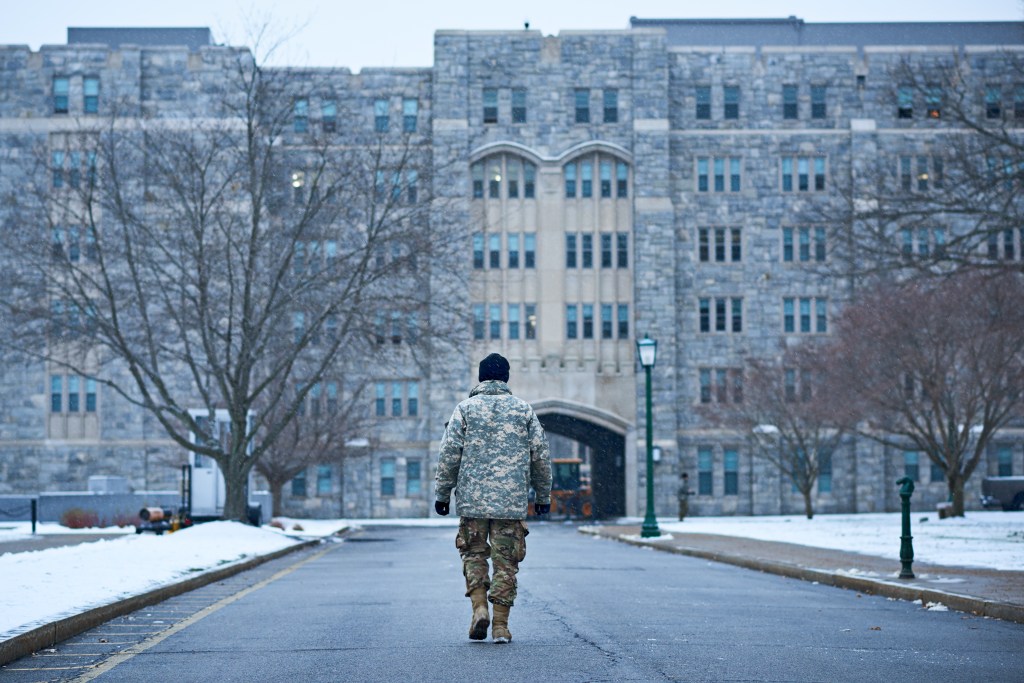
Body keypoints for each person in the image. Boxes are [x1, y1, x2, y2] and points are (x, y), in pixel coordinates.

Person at [434, 353, 552, 644]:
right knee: (506, 562)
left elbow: (449, 455)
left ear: (481, 377)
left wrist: (442, 494)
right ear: (507, 378)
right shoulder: (523, 411)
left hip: (472, 502)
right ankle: (500, 626)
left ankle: (479, 609)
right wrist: (543, 495)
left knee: (474, 554)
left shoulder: (465, 409)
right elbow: (540, 456)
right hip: (510, 504)